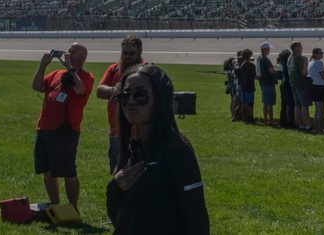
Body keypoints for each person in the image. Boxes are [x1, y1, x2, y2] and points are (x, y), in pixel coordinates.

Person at [106, 64, 209, 234]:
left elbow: (196, 218)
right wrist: (115, 187)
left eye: (140, 95)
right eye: (125, 95)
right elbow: (121, 218)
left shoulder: (176, 150)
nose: (130, 101)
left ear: (160, 99)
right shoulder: (134, 148)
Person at [31, 43, 94, 211]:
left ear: (81, 57)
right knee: (47, 169)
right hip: (44, 126)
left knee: (67, 170)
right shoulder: (56, 74)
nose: (68, 52)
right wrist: (43, 65)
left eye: (73, 52)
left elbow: (80, 89)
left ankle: (73, 208)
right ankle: (55, 205)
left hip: (65, 130)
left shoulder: (86, 76)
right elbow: (37, 86)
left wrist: (69, 68)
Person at [96, 34, 144, 172]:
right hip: (116, 131)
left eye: (132, 53)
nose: (128, 56)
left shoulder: (146, 70)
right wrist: (113, 91)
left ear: (139, 52)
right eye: (125, 53)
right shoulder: (114, 69)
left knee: (138, 173)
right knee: (117, 173)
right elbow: (99, 91)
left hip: (139, 133)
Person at [288, 42, 311, 132]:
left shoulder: (290, 58)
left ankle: (300, 124)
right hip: (301, 83)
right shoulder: (299, 58)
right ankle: (307, 125)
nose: (301, 48)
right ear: (296, 48)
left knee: (297, 105)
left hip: (293, 83)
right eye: (300, 47)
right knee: (304, 106)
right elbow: (304, 72)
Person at [308, 48, 324, 134]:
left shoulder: (311, 63)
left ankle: (317, 128)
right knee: (321, 110)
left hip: (314, 86)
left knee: (317, 109)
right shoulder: (319, 63)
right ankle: (320, 129)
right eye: (320, 53)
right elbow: (323, 76)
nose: (322, 55)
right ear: (316, 54)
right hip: (320, 87)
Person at [257, 42, 278, 127]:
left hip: (262, 82)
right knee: (270, 103)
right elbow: (271, 70)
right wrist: (278, 72)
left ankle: (266, 119)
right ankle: (271, 120)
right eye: (268, 49)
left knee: (265, 102)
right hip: (268, 83)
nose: (269, 50)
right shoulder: (265, 59)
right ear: (264, 50)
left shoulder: (259, 59)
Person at [238, 48, 257, 125]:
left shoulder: (242, 65)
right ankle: (250, 117)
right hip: (250, 85)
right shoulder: (252, 65)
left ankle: (244, 116)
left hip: (244, 85)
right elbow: (255, 75)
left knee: (244, 102)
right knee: (250, 103)